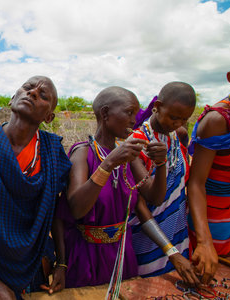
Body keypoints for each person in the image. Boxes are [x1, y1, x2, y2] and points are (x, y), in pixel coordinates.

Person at [53, 86, 198, 290]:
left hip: (122, 254)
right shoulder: (83, 152)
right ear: (105, 114)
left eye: (136, 113)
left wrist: (161, 163)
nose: (134, 119)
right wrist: (109, 163)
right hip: (87, 256)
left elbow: (149, 201)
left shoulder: (127, 155)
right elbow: (76, 208)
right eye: (129, 112)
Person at [0, 76, 72, 299]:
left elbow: (55, 211)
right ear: (12, 99)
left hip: (36, 262)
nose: (33, 93)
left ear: (49, 117)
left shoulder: (52, 152)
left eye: (43, 95)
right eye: (28, 88)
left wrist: (62, 264)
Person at [129, 82, 199, 279]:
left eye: (184, 119)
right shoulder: (137, 142)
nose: (177, 123)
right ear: (157, 106)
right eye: (173, 117)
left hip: (178, 232)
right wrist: (170, 251)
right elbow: (143, 203)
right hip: (148, 239)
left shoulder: (178, 136)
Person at [187, 72, 230, 281]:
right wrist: (205, 243)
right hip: (213, 222)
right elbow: (196, 184)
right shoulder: (218, 120)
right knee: (209, 278)